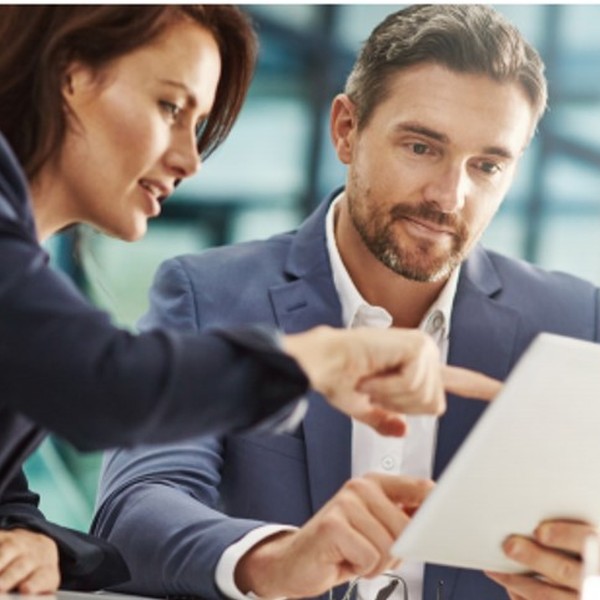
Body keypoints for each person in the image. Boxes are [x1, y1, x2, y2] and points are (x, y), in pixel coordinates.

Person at [92, 4, 600, 600]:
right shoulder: (212, 296)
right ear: (345, 130)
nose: (449, 195)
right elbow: (136, 505)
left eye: (487, 165)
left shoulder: (576, 322)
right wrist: (275, 557)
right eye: (420, 147)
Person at [0, 5, 500, 596]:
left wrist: (25, 533)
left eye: (490, 163)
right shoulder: (205, 289)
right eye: (169, 107)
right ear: (69, 72)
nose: (190, 158)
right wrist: (314, 360)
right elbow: (105, 386)